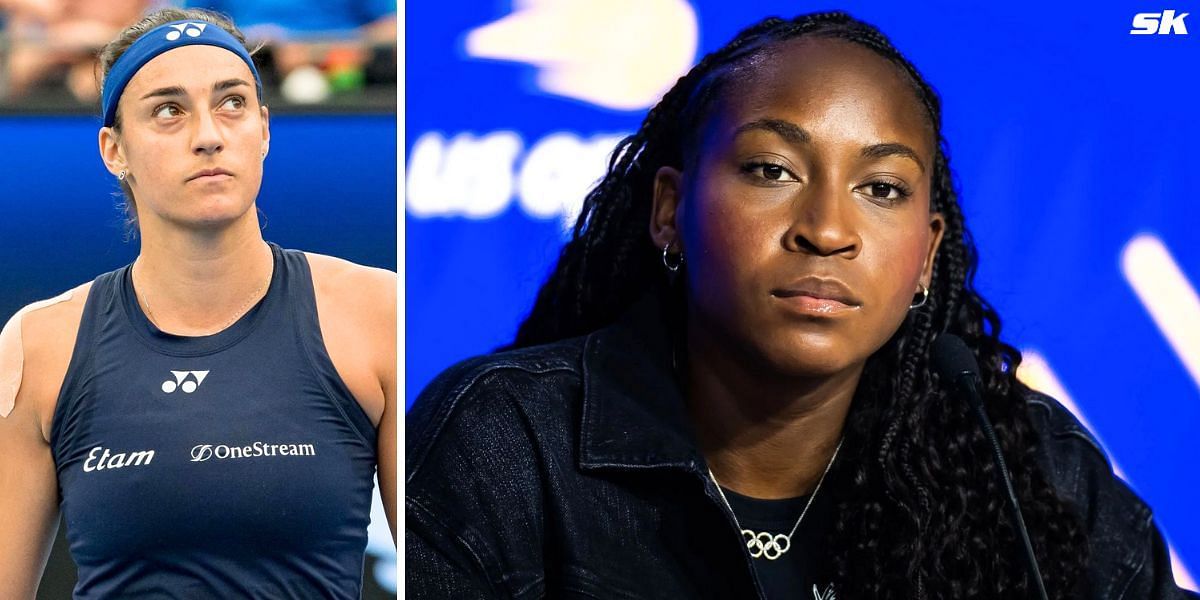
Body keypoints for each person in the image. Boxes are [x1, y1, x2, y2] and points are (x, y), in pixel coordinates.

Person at [406, 11, 1194, 600]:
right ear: (669, 210)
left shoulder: (1026, 469)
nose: (826, 231)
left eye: (881, 189)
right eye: (771, 170)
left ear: (925, 254)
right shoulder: (504, 445)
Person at [0, 7, 396, 598]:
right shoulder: (39, 346)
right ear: (115, 151)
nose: (209, 134)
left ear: (263, 128)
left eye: (232, 102)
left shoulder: (380, 315)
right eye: (168, 110)